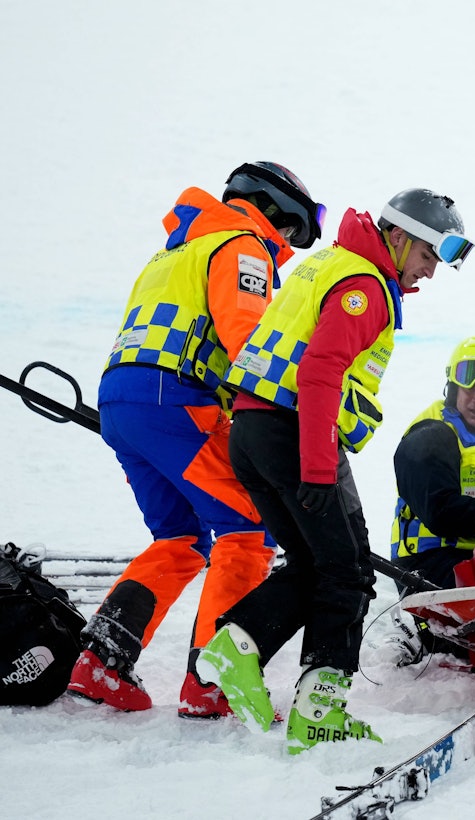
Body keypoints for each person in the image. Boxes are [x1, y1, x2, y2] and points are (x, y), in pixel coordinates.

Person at [195, 189, 474, 755]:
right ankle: (318, 711)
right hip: (295, 432)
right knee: (347, 572)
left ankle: (237, 647)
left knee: (317, 564)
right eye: (427, 254)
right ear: (396, 236)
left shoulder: (332, 263)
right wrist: (319, 469)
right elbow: (321, 372)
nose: (430, 270)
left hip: (256, 430)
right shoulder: (365, 285)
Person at [67, 162, 325, 716]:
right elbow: (247, 341)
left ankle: (100, 663)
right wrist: (285, 417)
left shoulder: (173, 253)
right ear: (275, 210)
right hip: (175, 398)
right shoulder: (243, 247)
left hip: (122, 400)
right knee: (248, 529)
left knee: (179, 538)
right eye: (297, 230)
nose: (291, 244)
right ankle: (215, 682)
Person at [387, 335, 475, 663]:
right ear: (453, 389)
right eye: (469, 388)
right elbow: (441, 513)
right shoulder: (431, 436)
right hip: (433, 566)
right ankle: (413, 631)